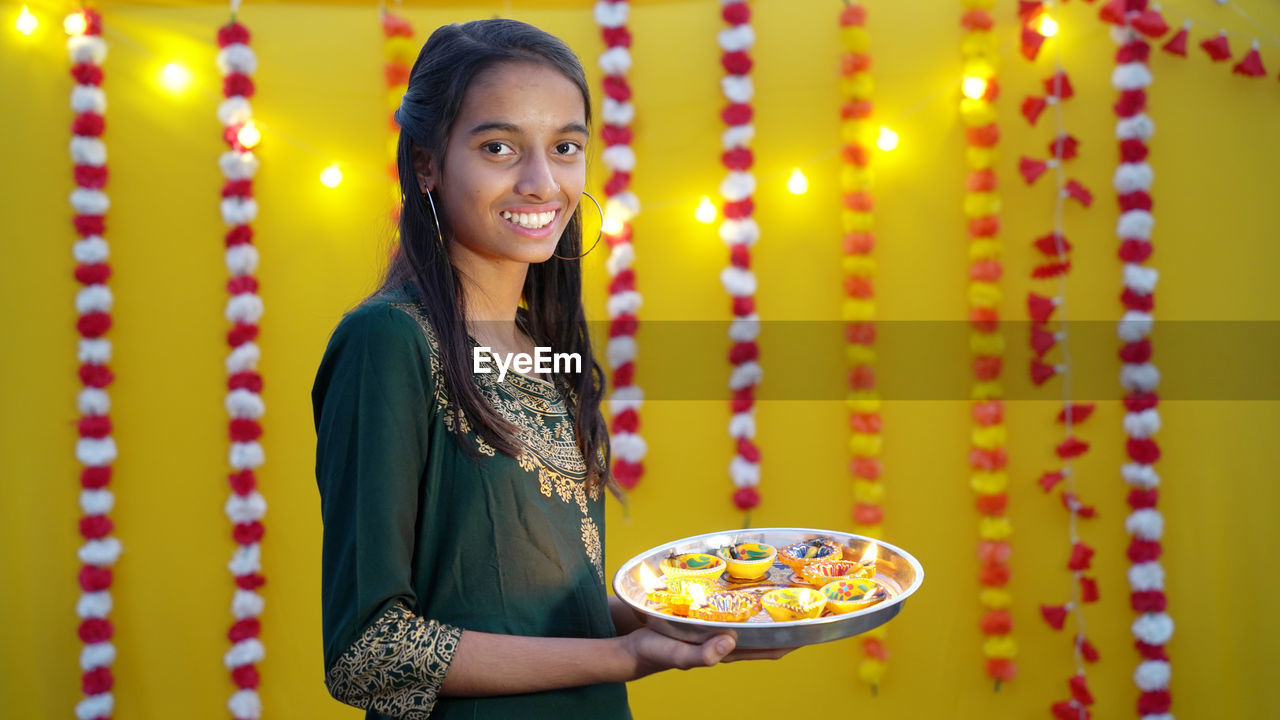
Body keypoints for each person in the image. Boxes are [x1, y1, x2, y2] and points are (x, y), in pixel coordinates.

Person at [312, 19, 786, 720]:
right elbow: (369, 652)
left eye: (565, 147)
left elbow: (519, 609)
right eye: (499, 147)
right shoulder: (389, 341)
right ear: (425, 163)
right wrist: (625, 658)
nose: (542, 183)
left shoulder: (549, 349)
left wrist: (674, 617)